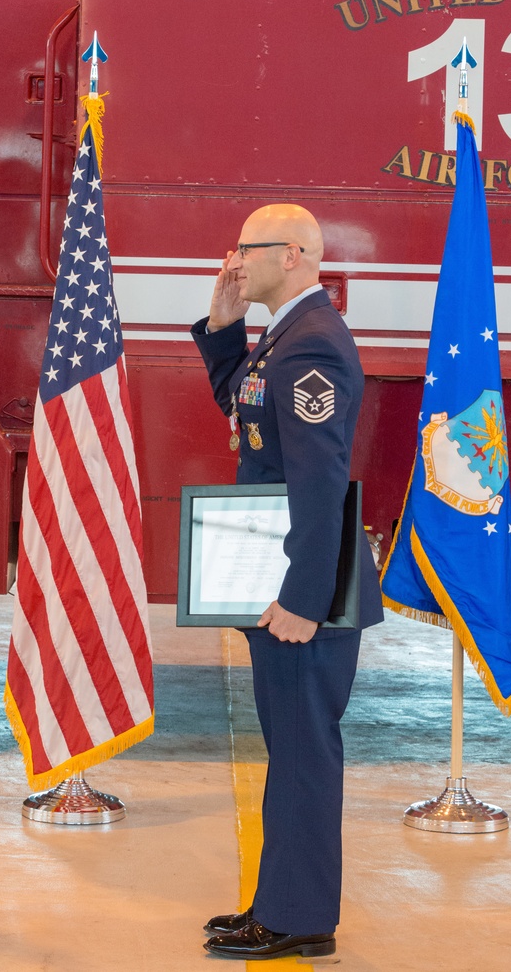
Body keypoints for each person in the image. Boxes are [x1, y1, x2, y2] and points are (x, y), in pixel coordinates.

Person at [191, 204, 382, 962]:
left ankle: (300, 918)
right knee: (291, 749)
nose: (233, 260)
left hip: (306, 598)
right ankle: (278, 904)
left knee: (303, 753)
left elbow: (319, 481)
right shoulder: (287, 336)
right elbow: (247, 415)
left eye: (246, 249)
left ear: (295, 254)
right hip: (284, 585)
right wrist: (223, 324)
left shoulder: (314, 349)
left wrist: (304, 599)